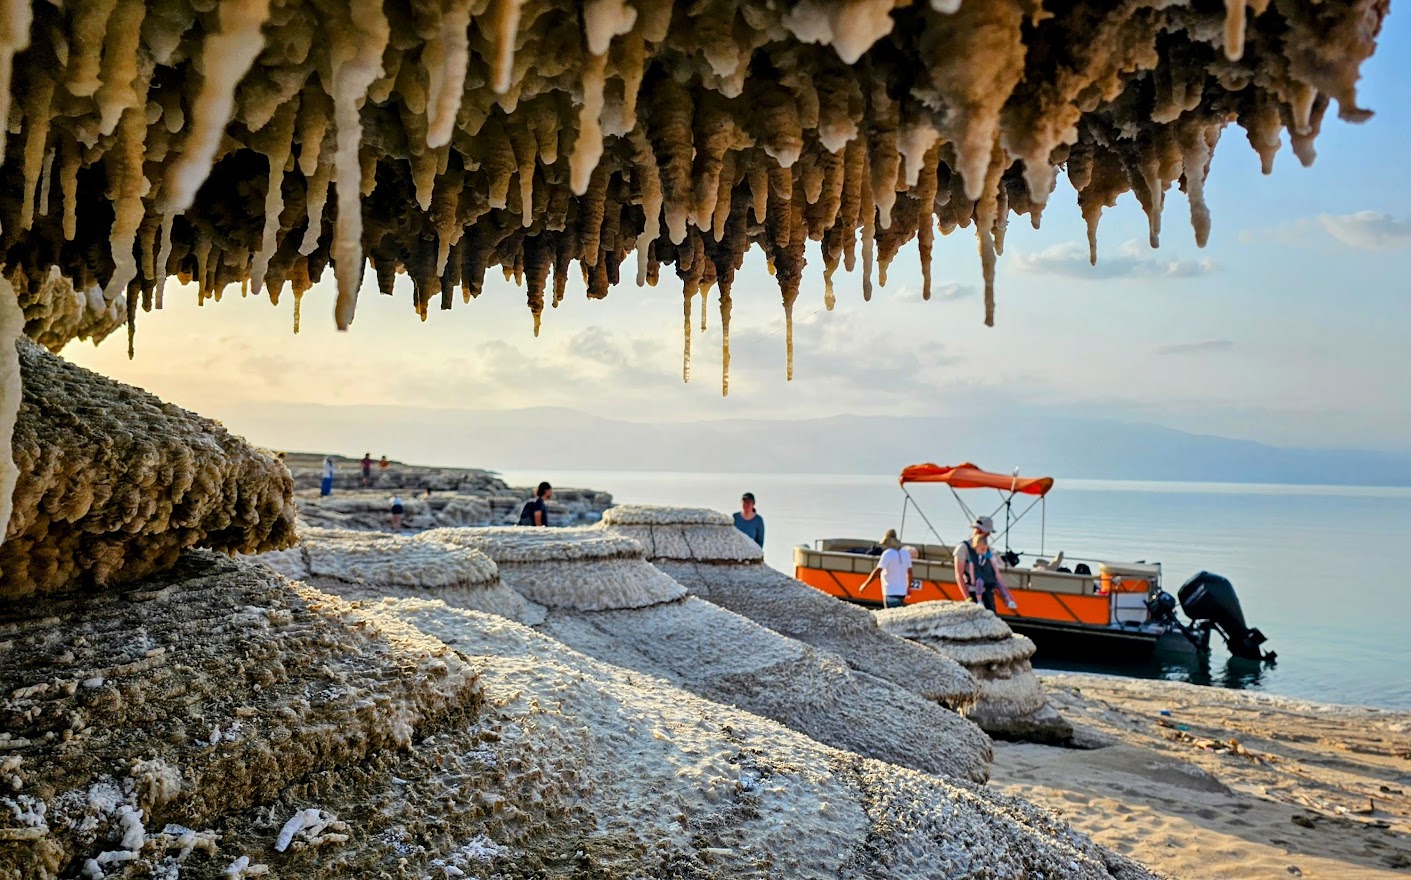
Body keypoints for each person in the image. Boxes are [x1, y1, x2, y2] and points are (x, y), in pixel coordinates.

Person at [954, 515, 1018, 614]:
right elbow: (959, 575)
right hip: (974, 592)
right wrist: (968, 599)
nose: (988, 536)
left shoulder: (985, 548)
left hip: (988, 592)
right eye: (987, 534)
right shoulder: (963, 548)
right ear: (978, 531)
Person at [859, 530, 912, 608]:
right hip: (902, 592)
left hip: (890, 592)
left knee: (890, 616)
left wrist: (865, 584)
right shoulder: (905, 553)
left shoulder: (888, 553)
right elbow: (909, 572)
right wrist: (908, 587)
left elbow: (878, 570)